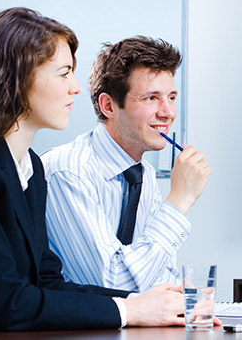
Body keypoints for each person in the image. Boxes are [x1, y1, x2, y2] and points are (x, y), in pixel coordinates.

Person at [0, 8, 197, 340]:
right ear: (16, 78)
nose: (76, 88)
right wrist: (132, 310)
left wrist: (151, 306)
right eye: (64, 73)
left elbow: (47, 283)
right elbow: (8, 302)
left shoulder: (29, 167)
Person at [41, 36, 212, 293]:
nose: (168, 112)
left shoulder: (144, 176)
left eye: (172, 97)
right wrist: (178, 202)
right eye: (151, 98)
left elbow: (159, 277)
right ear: (108, 105)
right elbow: (112, 285)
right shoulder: (68, 172)